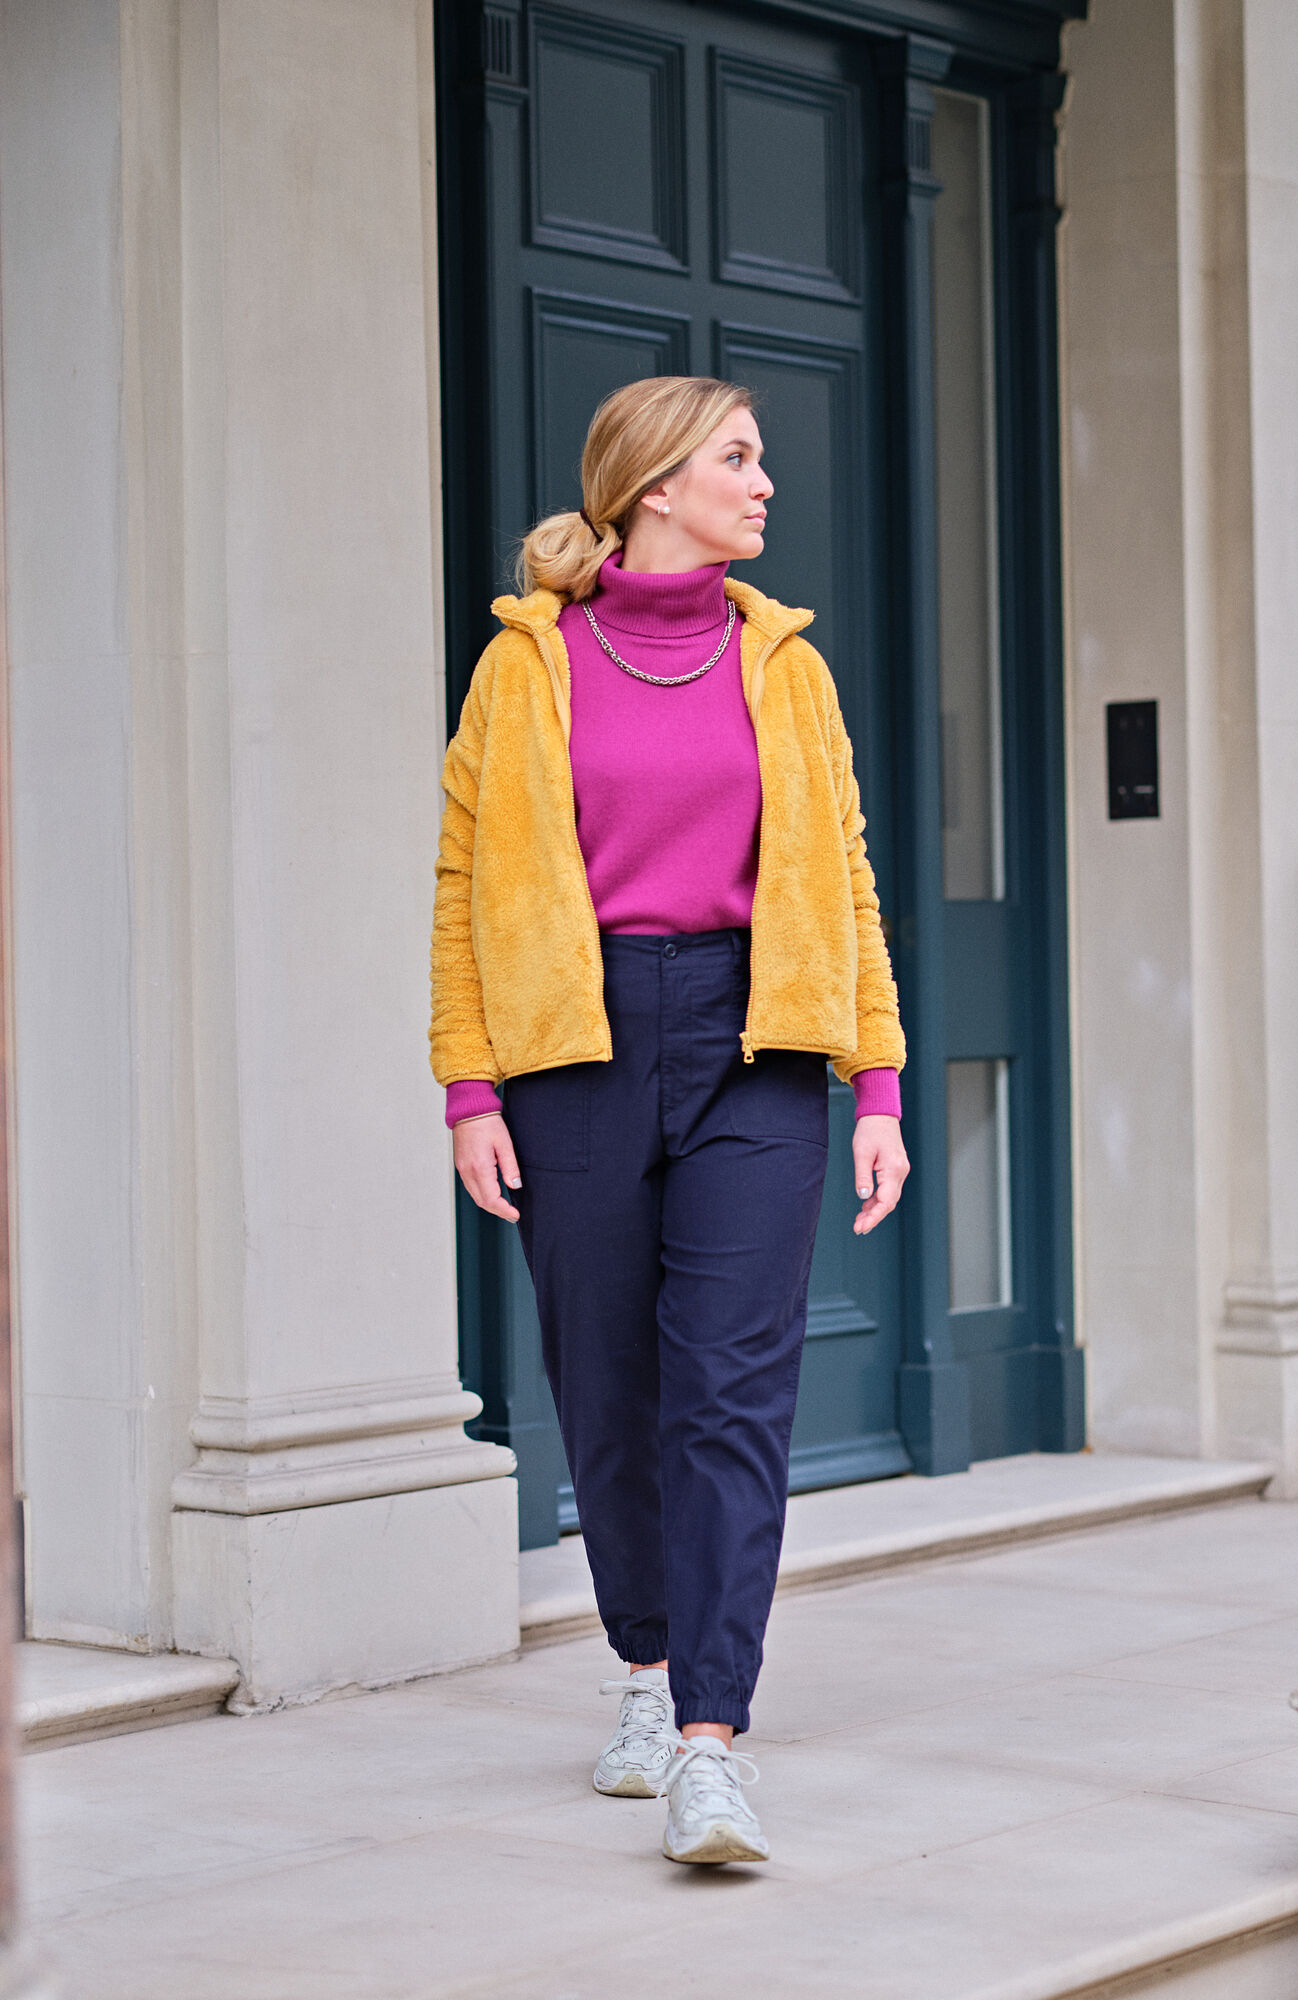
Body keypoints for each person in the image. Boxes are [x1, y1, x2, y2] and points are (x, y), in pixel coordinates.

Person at [431, 376, 908, 1866]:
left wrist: (877, 1080)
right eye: (738, 459)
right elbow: (464, 884)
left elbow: (840, 868)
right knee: (607, 1385)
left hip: (752, 1044)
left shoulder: (786, 667)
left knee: (730, 1392)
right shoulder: (526, 669)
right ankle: (642, 1673)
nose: (765, 483)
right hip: (574, 1047)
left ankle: (711, 1735)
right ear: (653, 485)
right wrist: (467, 1086)